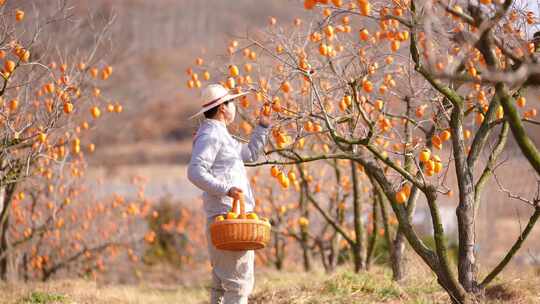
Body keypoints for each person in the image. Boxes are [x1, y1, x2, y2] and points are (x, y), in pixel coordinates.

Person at [187, 83, 270, 304]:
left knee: (222, 286)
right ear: (223, 107)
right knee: (238, 285)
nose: (235, 106)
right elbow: (195, 171)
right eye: (232, 102)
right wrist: (227, 189)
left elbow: (250, 154)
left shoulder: (220, 134)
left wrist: (262, 126)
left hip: (229, 218)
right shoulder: (212, 135)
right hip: (228, 221)